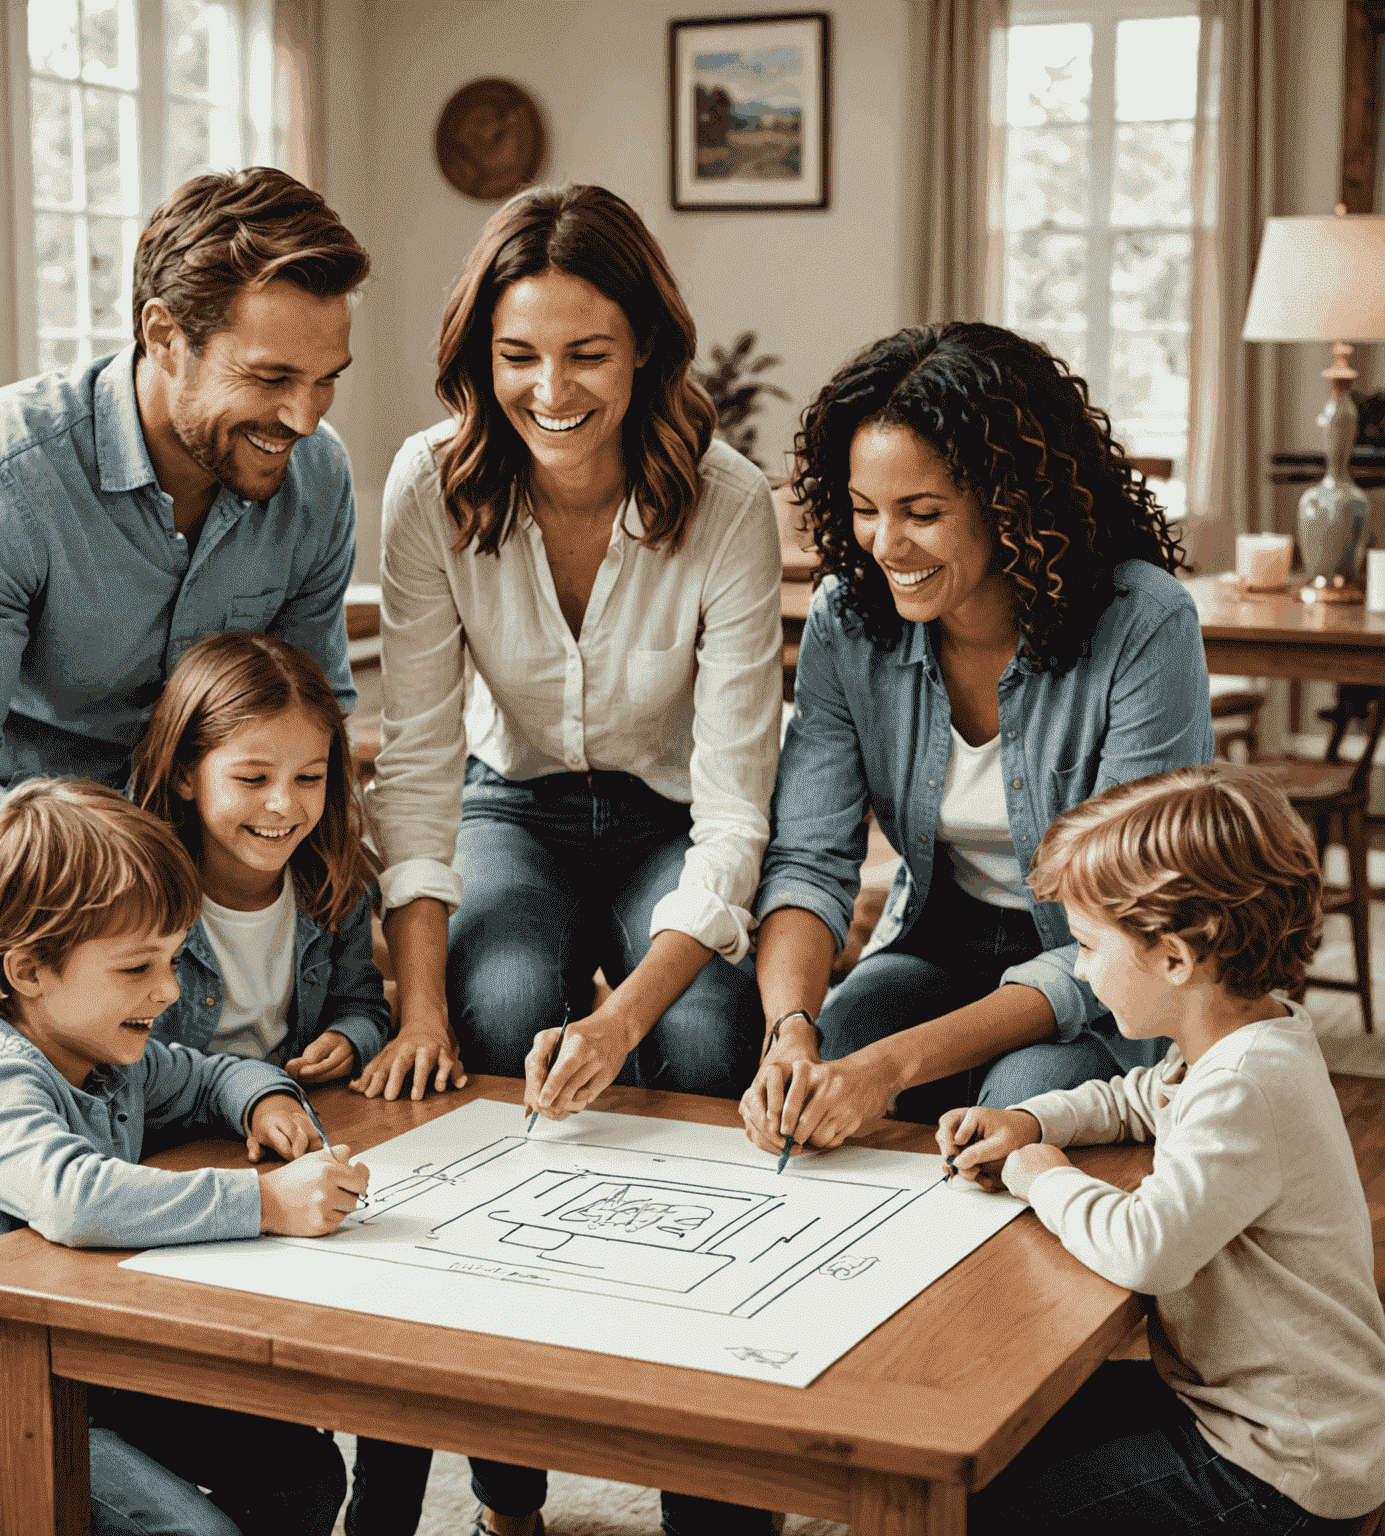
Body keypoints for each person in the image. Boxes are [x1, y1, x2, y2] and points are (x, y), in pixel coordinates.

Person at [352, 183, 782, 1536]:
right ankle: (507, 1482)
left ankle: (722, 1492)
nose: (552, 388)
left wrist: (623, 1017)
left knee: (711, 1041)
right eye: (518, 355)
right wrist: (416, 1005)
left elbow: (733, 816)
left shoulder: (729, 503)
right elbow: (416, 759)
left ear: (646, 345)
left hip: (670, 827)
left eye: (587, 353)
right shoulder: (430, 481)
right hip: (512, 806)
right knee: (489, 1008)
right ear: (481, 356)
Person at [0, 165, 369, 1133]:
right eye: (269, 379)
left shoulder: (316, 483)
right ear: (164, 335)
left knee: (304, 1087)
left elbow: (314, 727)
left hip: (176, 876)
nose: (304, 419)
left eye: (325, 381)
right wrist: (131, 909)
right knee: (10, 1126)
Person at [741, 321, 1214, 1160]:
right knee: (832, 1059)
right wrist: (791, 1032)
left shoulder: (1142, 624)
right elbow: (810, 858)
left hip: (1100, 965)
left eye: (922, 513)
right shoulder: (848, 626)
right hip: (936, 937)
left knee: (1021, 1103)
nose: (887, 546)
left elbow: (1135, 919)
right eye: (863, 511)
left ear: (1012, 504)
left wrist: (889, 1069)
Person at [0, 778, 371, 1536]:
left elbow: (212, 1074)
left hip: (94, 1360)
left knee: (302, 1472)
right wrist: (268, 1203)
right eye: (137, 968)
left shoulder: (109, 1054)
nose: (170, 989)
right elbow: (78, 1199)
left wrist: (265, 1101)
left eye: (174, 960)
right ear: (29, 972)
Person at [940, 766, 1385, 1533]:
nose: (1078, 969)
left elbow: (1148, 1248)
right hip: (1250, 1408)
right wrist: (1031, 1122)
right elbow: (1132, 1098)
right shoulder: (1241, 1042)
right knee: (996, 1432)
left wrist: (1043, 1175)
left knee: (991, 1507)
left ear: (1175, 959)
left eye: (1085, 945)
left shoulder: (1245, 1086)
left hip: (1282, 1466)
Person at [133, 630, 391, 1082]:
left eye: (309, 778)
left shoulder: (333, 881)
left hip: (294, 1120)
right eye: (253, 779)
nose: (284, 805)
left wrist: (351, 1039)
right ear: (184, 776)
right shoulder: (135, 899)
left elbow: (360, 1002)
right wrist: (242, 1094)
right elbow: (123, 1061)